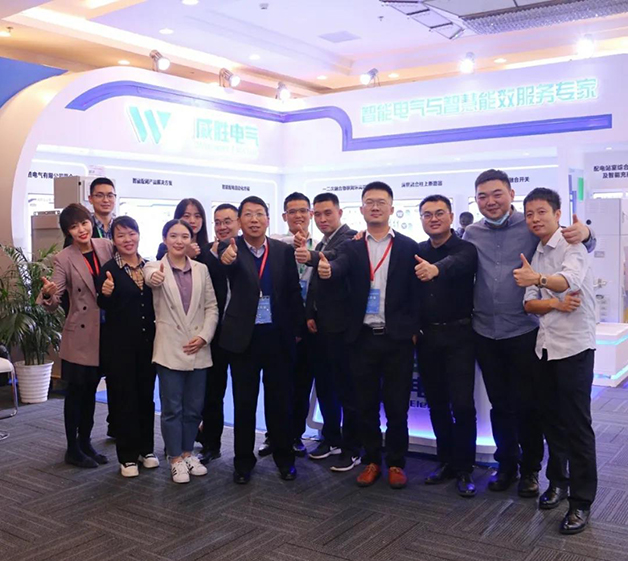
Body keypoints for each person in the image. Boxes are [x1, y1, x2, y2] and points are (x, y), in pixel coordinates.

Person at [464, 169, 595, 497]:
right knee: (499, 406)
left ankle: (531, 470)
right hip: (485, 331)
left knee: (528, 406)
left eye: (497, 194)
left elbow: (579, 243)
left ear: (511, 194)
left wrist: (588, 232)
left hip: (524, 332)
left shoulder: (531, 224)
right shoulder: (471, 232)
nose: (490, 201)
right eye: (482, 196)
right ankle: (506, 464)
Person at [318, 182, 419, 489]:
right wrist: (327, 270)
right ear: (361, 209)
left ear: (392, 208)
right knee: (365, 404)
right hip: (362, 338)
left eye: (381, 202)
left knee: (397, 406)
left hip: (397, 339)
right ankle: (372, 460)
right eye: (369, 202)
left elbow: (416, 292)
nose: (375, 207)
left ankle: (397, 462)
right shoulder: (352, 246)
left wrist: (413, 330)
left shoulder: (408, 246)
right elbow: (339, 266)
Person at [515, 187, 597, 535]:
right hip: (545, 348)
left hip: (575, 348)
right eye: (529, 214)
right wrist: (552, 301)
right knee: (551, 422)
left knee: (577, 426)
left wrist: (540, 282)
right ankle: (558, 483)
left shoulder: (572, 245)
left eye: (541, 212)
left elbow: (569, 281)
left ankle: (581, 501)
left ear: (557, 214)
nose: (535, 219)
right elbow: (529, 304)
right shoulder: (535, 252)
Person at [219, 196, 305, 484]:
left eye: (259, 214)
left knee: (280, 402)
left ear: (268, 219)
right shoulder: (229, 249)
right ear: (239, 221)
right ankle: (243, 462)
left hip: (277, 338)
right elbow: (221, 270)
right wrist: (225, 260)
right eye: (248, 214)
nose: (254, 219)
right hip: (243, 339)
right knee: (244, 404)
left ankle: (284, 458)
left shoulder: (282, 251)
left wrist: (297, 329)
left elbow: (293, 292)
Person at [38, 203, 113, 468]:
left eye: (84, 223)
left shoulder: (106, 246)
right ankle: (72, 448)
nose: (81, 230)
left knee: (91, 390)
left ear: (91, 222)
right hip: (79, 334)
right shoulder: (64, 258)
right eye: (73, 226)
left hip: (104, 333)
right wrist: (47, 293)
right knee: (76, 392)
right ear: (67, 232)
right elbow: (53, 298)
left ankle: (86, 442)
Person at [144, 219, 219, 484]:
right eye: (173, 236)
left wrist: (204, 336)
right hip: (169, 349)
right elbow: (150, 278)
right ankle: (174, 458)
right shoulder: (155, 267)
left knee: (194, 409)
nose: (179, 241)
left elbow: (211, 306)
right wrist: (154, 277)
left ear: (191, 239)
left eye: (184, 236)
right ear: (165, 239)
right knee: (172, 408)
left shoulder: (201, 269)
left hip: (199, 347)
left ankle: (188, 453)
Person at [414, 195, 478, 497]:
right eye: (427, 214)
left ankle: (465, 467)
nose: (434, 219)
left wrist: (436, 269)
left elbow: (457, 264)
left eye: (439, 213)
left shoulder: (465, 248)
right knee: (436, 403)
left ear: (451, 216)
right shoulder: (417, 251)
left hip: (460, 337)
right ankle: (446, 461)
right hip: (428, 338)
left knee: (462, 405)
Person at [302, 192, 361, 471]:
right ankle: (331, 437)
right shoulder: (322, 240)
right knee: (325, 387)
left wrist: (311, 256)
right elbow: (315, 286)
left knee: (347, 390)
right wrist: (310, 314)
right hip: (321, 327)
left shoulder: (350, 239)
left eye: (328, 213)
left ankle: (352, 446)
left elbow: (335, 259)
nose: (322, 219)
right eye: (318, 214)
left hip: (342, 329)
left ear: (340, 212)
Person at [97, 216, 158, 478]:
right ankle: (127, 456)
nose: (127, 239)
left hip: (148, 344)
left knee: (146, 397)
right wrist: (106, 293)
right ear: (113, 240)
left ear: (139, 235)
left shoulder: (150, 266)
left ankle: (147, 450)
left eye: (131, 233)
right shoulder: (109, 269)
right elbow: (103, 305)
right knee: (124, 399)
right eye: (120, 235)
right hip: (119, 346)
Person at [265, 192, 320, 458]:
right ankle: (273, 436)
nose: (298, 215)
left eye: (303, 211)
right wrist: (294, 242)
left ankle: (296, 435)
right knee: (276, 385)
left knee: (302, 384)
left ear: (310, 214)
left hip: (310, 325)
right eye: (292, 211)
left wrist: (309, 250)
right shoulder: (275, 243)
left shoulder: (320, 246)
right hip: (280, 326)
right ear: (284, 216)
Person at [197, 203, 240, 464]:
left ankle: (244, 452)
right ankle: (211, 444)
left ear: (238, 222)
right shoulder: (205, 253)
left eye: (227, 221)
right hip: (215, 332)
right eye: (217, 222)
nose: (222, 226)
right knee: (213, 392)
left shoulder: (249, 250)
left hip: (244, 332)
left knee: (245, 394)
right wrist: (212, 256)